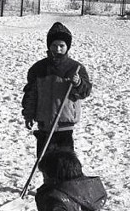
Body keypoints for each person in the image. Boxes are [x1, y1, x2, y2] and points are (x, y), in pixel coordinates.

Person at [21, 22, 92, 157]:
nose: (58, 49)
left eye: (62, 46)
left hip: (65, 126)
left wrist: (78, 83)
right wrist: (28, 115)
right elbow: (31, 94)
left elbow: (85, 91)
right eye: (54, 45)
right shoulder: (38, 69)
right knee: (45, 165)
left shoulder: (75, 68)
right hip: (44, 125)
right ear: (49, 46)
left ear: (67, 47)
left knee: (65, 166)